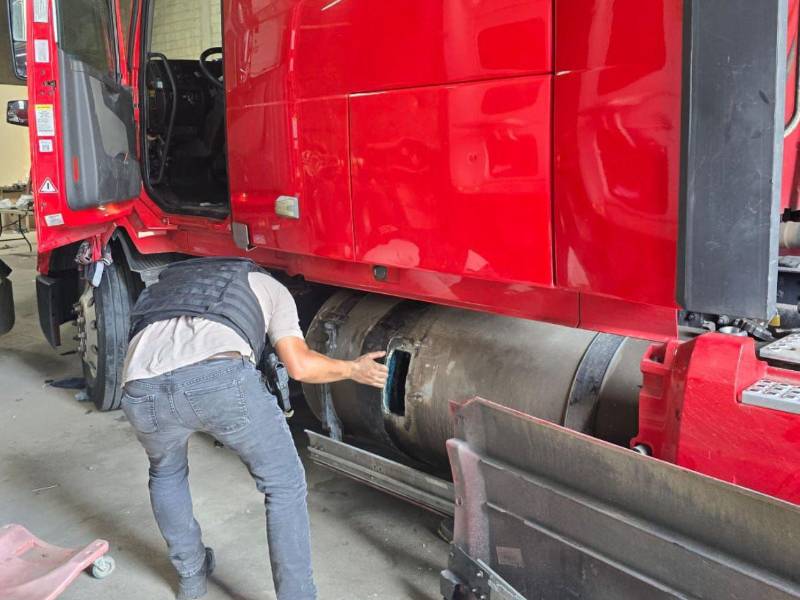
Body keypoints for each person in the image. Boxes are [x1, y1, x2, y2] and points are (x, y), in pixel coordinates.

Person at [121, 257, 388, 600]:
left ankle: (191, 578)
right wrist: (353, 369)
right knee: (284, 484)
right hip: (218, 377)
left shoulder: (168, 285)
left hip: (140, 388)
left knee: (166, 472)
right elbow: (300, 366)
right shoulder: (270, 288)